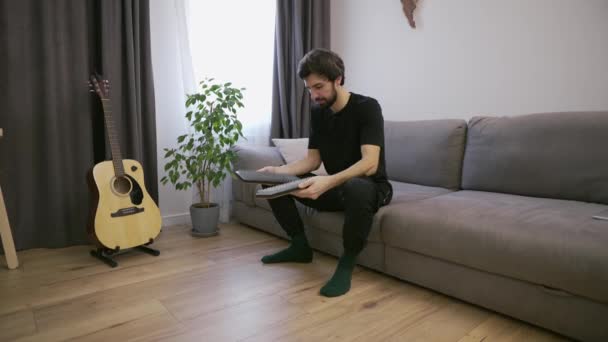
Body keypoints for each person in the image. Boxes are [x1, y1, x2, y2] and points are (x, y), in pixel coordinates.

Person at [257, 48, 392, 297]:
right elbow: (312, 160)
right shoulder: (318, 112)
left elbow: (370, 163)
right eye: (309, 89)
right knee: (272, 181)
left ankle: (346, 264)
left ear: (338, 79)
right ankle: (299, 246)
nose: (313, 95)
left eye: (318, 87)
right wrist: (277, 170)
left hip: (370, 188)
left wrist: (327, 182)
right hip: (336, 187)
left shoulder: (367, 107)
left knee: (356, 186)